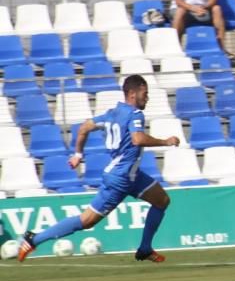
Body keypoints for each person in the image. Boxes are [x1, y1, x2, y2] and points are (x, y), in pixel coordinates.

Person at [17, 75, 180, 263]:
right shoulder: (135, 114)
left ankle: (145, 248)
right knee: (87, 221)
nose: (147, 97)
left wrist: (78, 154)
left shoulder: (112, 114)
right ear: (133, 93)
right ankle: (33, 239)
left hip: (131, 175)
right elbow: (138, 139)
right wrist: (165, 141)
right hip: (120, 178)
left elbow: (84, 128)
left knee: (162, 200)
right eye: (145, 93)